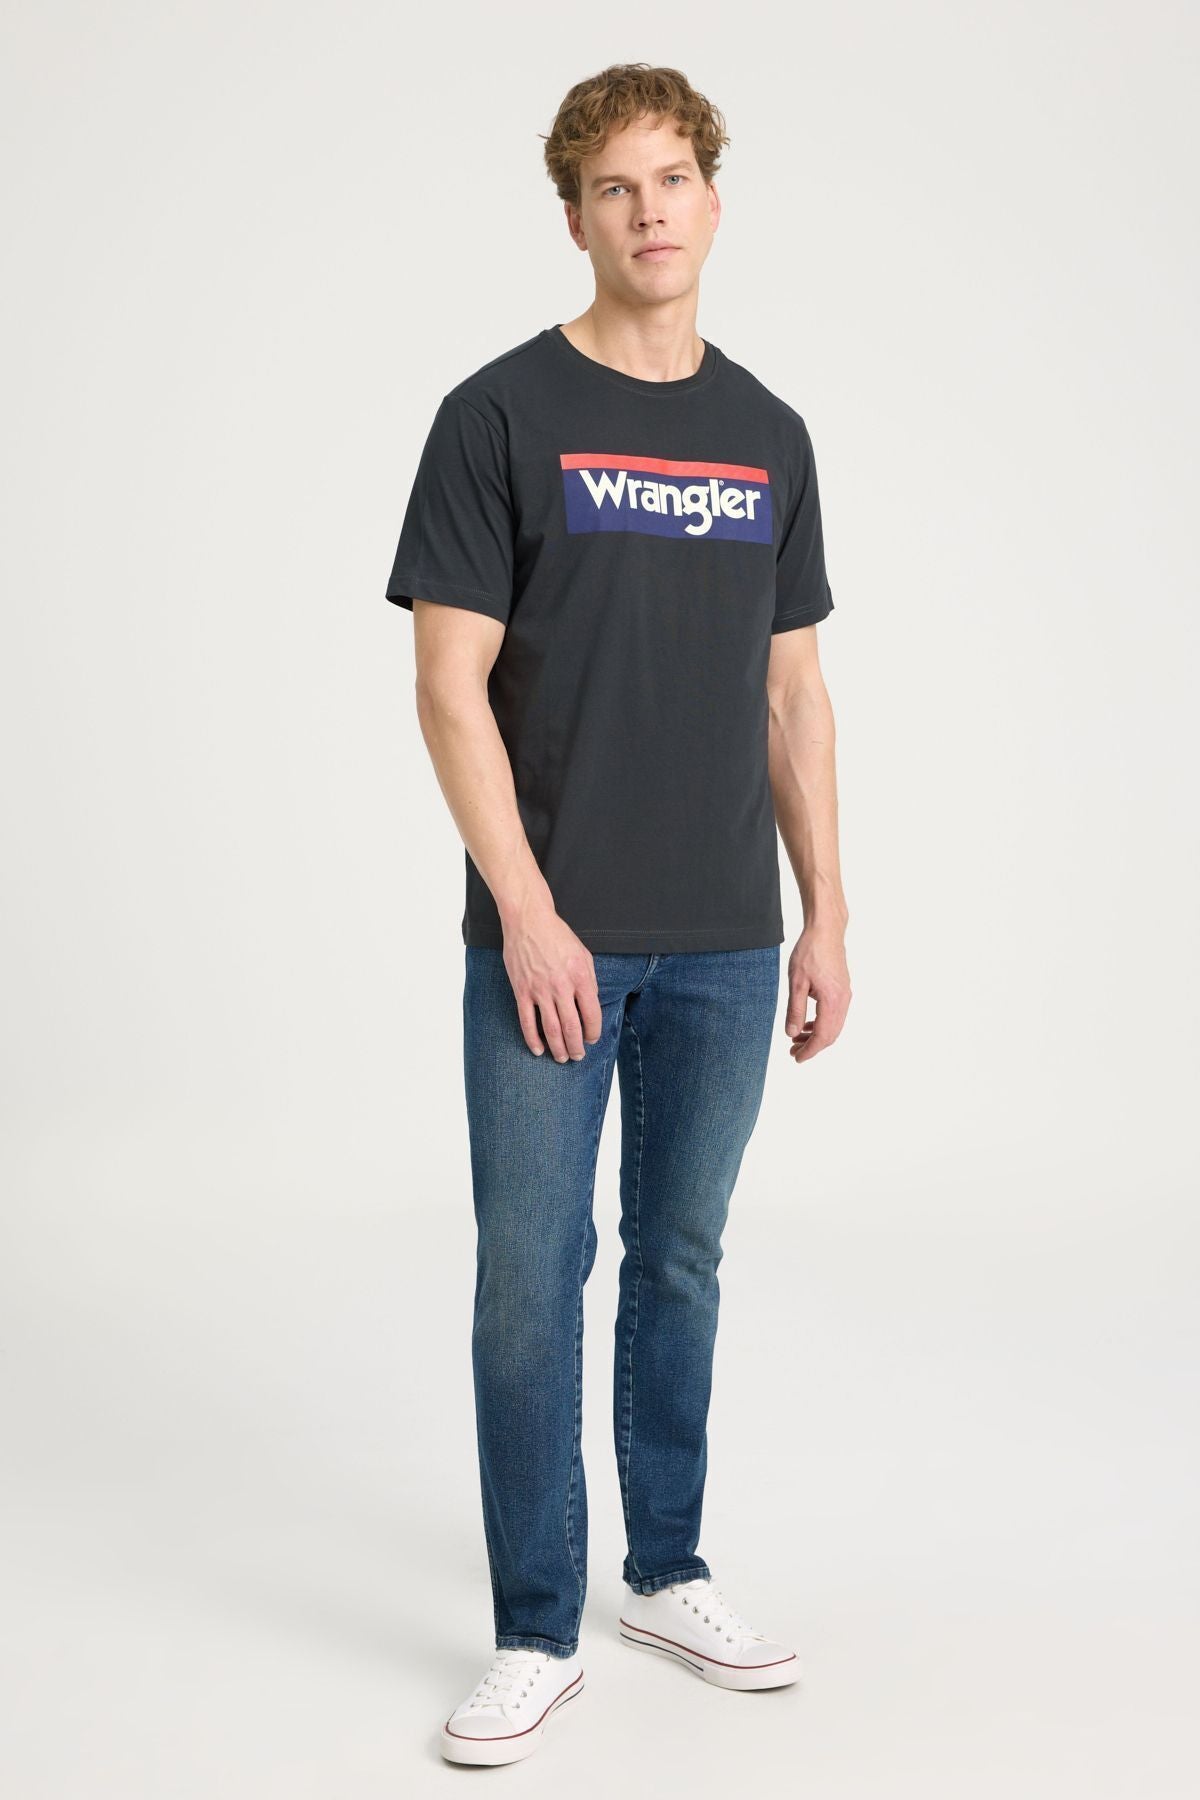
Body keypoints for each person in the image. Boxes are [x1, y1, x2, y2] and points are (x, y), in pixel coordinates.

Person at [383, 62, 852, 1768]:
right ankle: (534, 1628)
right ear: (574, 217)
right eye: (613, 188)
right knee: (531, 1276)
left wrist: (827, 913)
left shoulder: (769, 435)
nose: (649, 212)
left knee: (680, 1260)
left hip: (727, 939)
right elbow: (447, 685)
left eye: (672, 181)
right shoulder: (498, 416)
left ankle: (665, 1571)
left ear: (714, 201)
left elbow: (794, 696)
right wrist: (525, 910)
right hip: (552, 942)